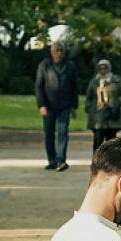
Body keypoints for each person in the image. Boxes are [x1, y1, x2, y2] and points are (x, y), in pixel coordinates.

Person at [35, 40, 79, 171]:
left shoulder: (70, 66)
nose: (59, 53)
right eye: (57, 51)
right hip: (48, 105)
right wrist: (41, 105)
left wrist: (74, 106)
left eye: (61, 51)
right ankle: (52, 159)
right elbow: (39, 87)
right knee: (49, 133)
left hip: (64, 105)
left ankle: (61, 161)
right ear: (51, 52)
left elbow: (74, 87)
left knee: (63, 133)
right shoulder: (44, 65)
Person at [84, 59, 121, 151]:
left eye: (105, 68)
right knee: (98, 140)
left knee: (112, 141)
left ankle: (110, 161)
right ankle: (97, 160)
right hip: (98, 116)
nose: (103, 70)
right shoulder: (94, 82)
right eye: (100, 68)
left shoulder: (116, 80)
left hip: (113, 114)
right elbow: (89, 96)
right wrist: (89, 108)